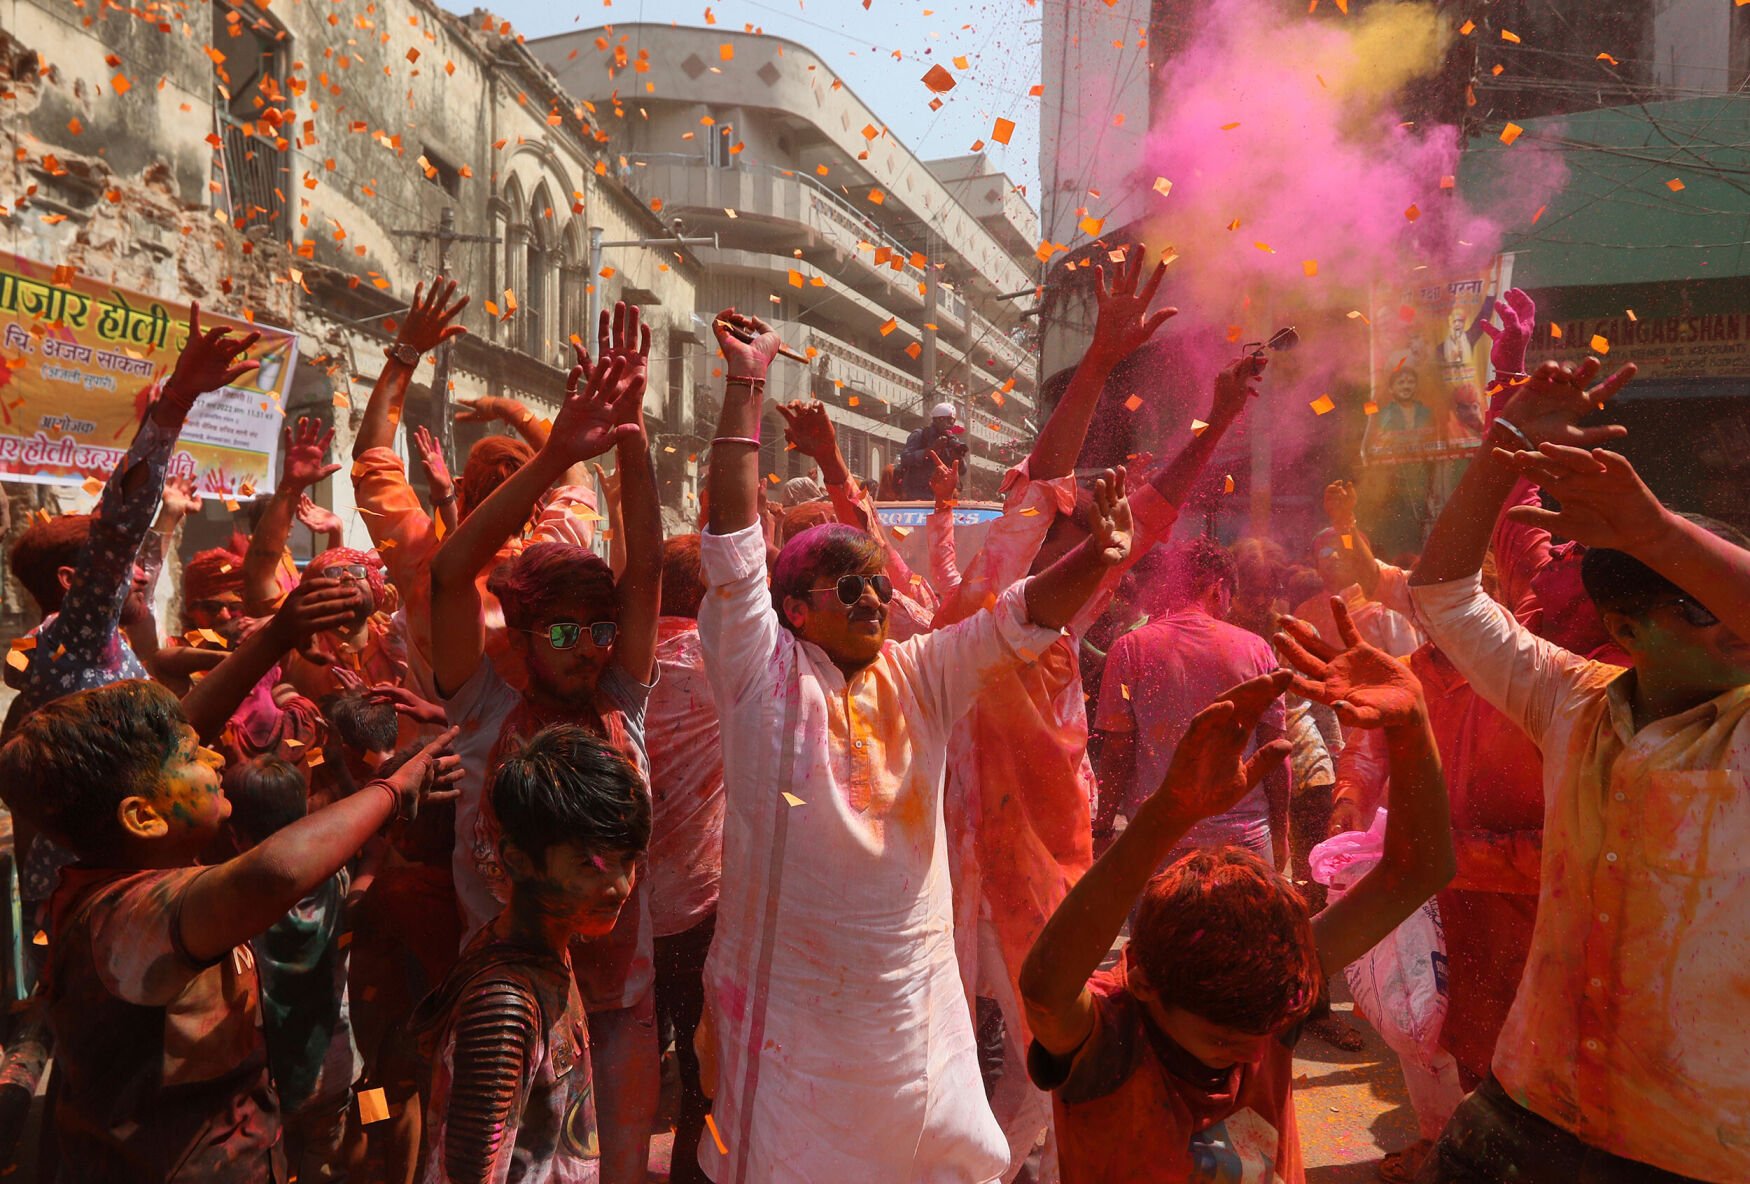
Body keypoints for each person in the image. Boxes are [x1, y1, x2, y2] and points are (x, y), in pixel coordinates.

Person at [695, 306, 1136, 1183]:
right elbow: (734, 545)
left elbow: (1018, 615)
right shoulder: (757, 671)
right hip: (789, 1019)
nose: (871, 600)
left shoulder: (922, 673)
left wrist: (1098, 557)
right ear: (792, 607)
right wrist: (746, 385)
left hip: (910, 1013)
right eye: (844, 587)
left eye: (875, 586)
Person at [1406, 354, 1750, 1184]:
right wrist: (1504, 445)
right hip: (1529, 1113)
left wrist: (1655, 533)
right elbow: (1444, 595)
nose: (1733, 627)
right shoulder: (1573, 702)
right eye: (1699, 608)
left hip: (1699, 1153)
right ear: (1627, 629)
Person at [1021, 600, 1456, 1184]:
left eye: (1268, 1034)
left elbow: (1420, 869)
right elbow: (1046, 989)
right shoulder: (1112, 1037)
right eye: (1224, 1039)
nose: (1256, 1058)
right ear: (1145, 981)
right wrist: (1164, 816)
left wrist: (1411, 725)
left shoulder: (1265, 1001)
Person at [0, 679, 459, 1183]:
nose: (218, 758)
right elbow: (274, 874)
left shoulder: (142, 863)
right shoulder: (124, 915)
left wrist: (278, 635)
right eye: (193, 754)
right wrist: (389, 793)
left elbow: (156, 756)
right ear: (143, 817)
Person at [429, 303, 662, 1184]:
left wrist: (633, 435)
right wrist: (560, 455)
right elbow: (454, 572)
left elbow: (643, 572)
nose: (593, 651)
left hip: (614, 1000)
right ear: (522, 635)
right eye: (564, 634)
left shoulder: (621, 700)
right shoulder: (483, 705)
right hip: (511, 997)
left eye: (601, 631)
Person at [411, 723, 651, 1184]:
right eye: (591, 864)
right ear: (518, 860)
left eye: (629, 861)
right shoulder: (504, 1009)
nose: (620, 886)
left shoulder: (547, 949)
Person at [350, 276, 598, 703]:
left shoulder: (423, 560)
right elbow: (575, 475)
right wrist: (514, 412)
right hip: (532, 764)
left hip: (431, 761)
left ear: (462, 493)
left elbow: (371, 454)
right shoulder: (549, 561)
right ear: (536, 507)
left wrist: (406, 353)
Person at [1094, 538, 1290, 870]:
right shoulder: (1256, 650)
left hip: (1158, 838)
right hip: (1243, 843)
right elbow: (1275, 751)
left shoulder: (1129, 649)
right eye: (1231, 595)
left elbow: (1117, 751)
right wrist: (1282, 829)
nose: (1229, 606)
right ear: (1219, 587)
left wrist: (1103, 826)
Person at [225, 755, 365, 1184]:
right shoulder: (333, 875)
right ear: (303, 815)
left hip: (273, 1077)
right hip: (334, 1063)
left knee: (277, 1160)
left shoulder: (229, 904)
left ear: (236, 836)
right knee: (321, 1159)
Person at [643, 534, 723, 1184]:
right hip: (699, 905)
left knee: (630, 1062)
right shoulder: (721, 662)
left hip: (620, 906)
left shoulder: (619, 656)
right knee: (704, 1075)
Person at [898, 401, 969, 499]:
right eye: (948, 420)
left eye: (952, 421)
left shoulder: (952, 440)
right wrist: (931, 449)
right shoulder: (920, 435)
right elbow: (905, 458)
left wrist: (957, 457)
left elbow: (962, 471)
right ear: (938, 419)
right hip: (918, 494)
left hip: (944, 496)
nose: (950, 424)